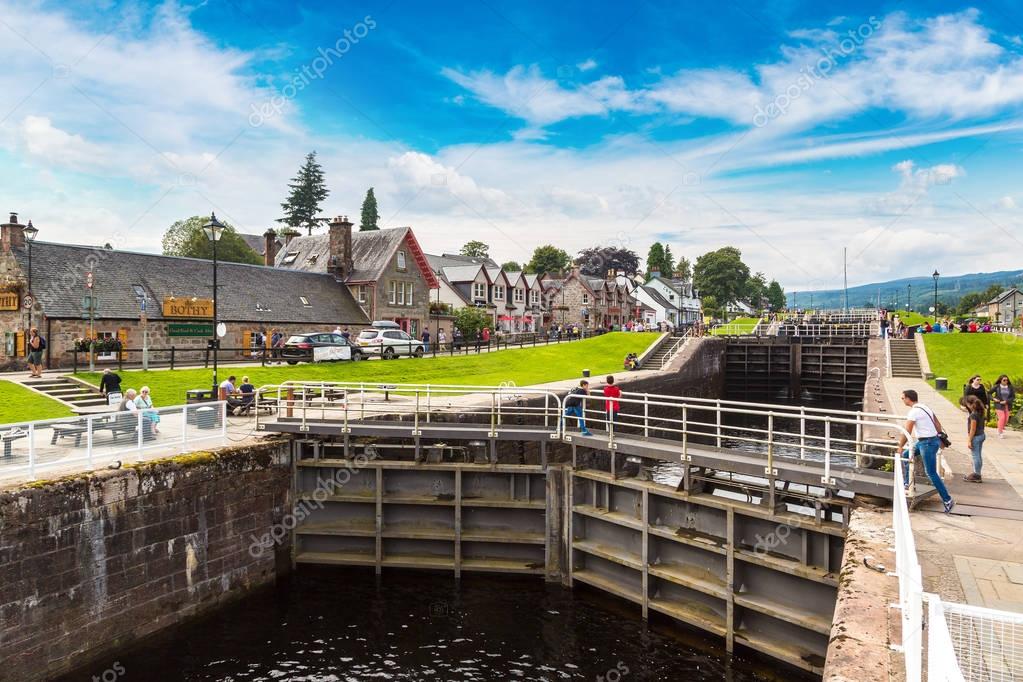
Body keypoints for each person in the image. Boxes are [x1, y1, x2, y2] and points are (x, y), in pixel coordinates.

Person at [897, 389, 955, 513]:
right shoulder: (925, 407)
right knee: (907, 455)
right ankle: (907, 483)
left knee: (931, 473)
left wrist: (900, 446)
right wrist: (939, 438)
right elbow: (937, 423)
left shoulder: (914, 412)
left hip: (927, 443)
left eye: (902, 398)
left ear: (908, 398)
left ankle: (947, 499)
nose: (902, 400)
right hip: (927, 441)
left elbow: (907, 430)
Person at [962, 395, 986, 482]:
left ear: (969, 404)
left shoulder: (973, 415)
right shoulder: (981, 411)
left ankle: (976, 475)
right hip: (982, 435)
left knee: (975, 456)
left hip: (976, 436)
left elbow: (973, 429)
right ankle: (977, 473)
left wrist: (969, 440)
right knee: (978, 455)